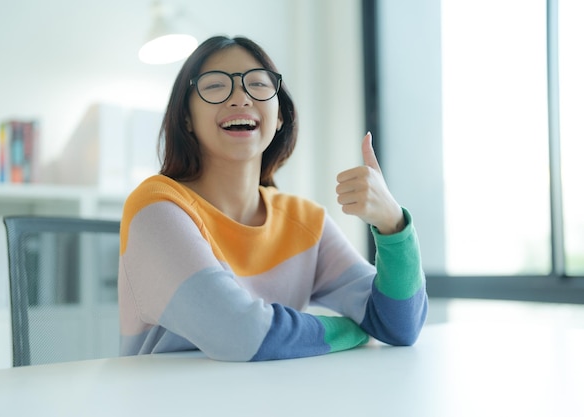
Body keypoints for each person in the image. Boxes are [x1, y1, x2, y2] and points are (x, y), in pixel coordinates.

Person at [118, 35, 428, 362]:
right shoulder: (155, 208)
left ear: (280, 116)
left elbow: (399, 326)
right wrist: (356, 330)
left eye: (257, 85)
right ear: (186, 119)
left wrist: (393, 225)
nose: (240, 98)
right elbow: (241, 334)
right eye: (214, 86)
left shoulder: (306, 222)